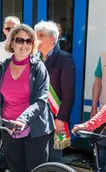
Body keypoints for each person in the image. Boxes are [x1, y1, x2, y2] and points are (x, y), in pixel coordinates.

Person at [0, 24, 55, 172]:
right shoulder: (2, 68)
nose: (24, 45)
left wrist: (23, 119)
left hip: (35, 130)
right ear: (12, 43)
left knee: (35, 169)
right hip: (9, 128)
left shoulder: (38, 67)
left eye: (29, 41)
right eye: (20, 40)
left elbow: (41, 100)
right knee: (15, 168)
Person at [34, 21, 76, 162]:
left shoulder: (64, 59)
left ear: (53, 38)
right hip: (37, 118)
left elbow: (68, 94)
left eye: (41, 35)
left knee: (54, 159)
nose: (37, 39)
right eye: (36, 35)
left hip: (55, 118)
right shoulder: (34, 59)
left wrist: (61, 118)